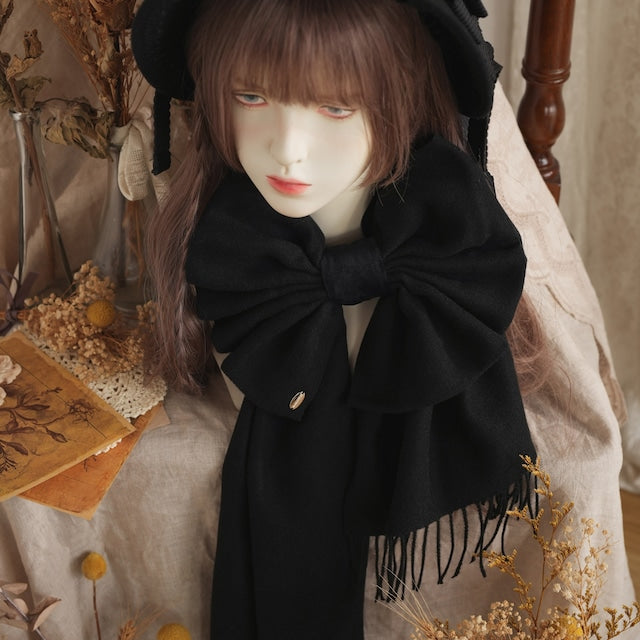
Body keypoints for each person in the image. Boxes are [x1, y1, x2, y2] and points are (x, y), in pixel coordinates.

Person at [131, 1, 549, 638]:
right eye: (250, 96)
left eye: (335, 106)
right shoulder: (235, 255)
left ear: (403, 96)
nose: (287, 150)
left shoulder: (451, 249)